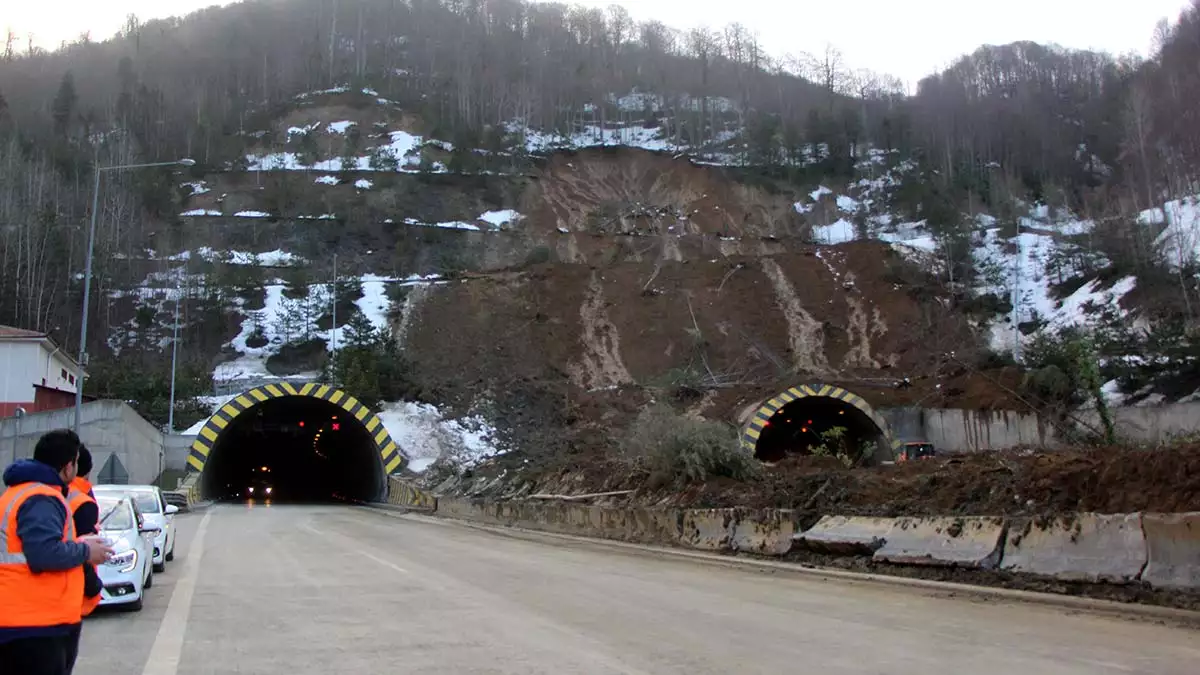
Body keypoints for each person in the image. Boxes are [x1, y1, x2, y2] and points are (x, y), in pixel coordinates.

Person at [0, 430, 113, 675]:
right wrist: (85, 550)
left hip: (29, 623)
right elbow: (43, 554)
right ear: (68, 466)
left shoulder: (23, 493)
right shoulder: (40, 497)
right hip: (34, 626)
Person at [65, 444, 103, 669]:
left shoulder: (16, 497)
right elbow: (79, 553)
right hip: (67, 600)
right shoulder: (81, 502)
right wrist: (93, 586)